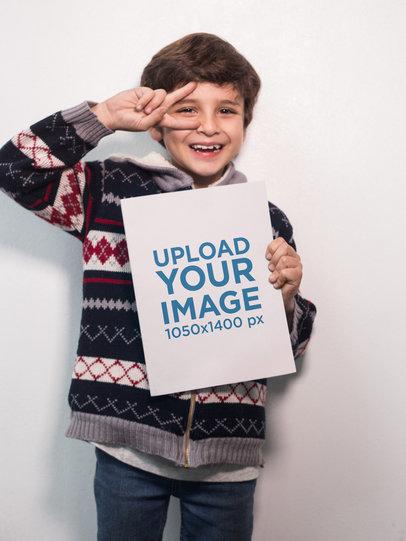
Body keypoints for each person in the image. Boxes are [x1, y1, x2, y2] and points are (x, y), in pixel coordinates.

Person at [0, 33, 316, 541]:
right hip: (128, 447)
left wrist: (284, 298)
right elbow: (14, 170)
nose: (208, 126)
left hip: (226, 458)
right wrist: (102, 115)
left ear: (245, 123)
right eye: (187, 109)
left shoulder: (266, 219)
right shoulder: (108, 193)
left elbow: (293, 347)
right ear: (154, 123)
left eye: (227, 111)